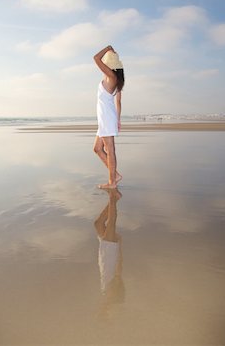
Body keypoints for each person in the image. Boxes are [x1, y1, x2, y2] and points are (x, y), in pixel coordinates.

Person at [93, 45, 125, 189]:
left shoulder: (112, 76)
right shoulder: (115, 79)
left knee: (110, 150)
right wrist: (118, 120)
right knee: (97, 149)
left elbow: (95, 58)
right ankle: (115, 175)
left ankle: (112, 182)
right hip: (106, 118)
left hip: (106, 118)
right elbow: (118, 102)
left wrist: (107, 48)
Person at [94, 188, 125, 319]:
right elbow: (118, 268)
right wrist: (118, 246)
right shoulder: (112, 285)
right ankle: (112, 195)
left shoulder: (105, 289)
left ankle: (115, 198)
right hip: (109, 252)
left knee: (98, 224)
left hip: (105, 252)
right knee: (111, 223)